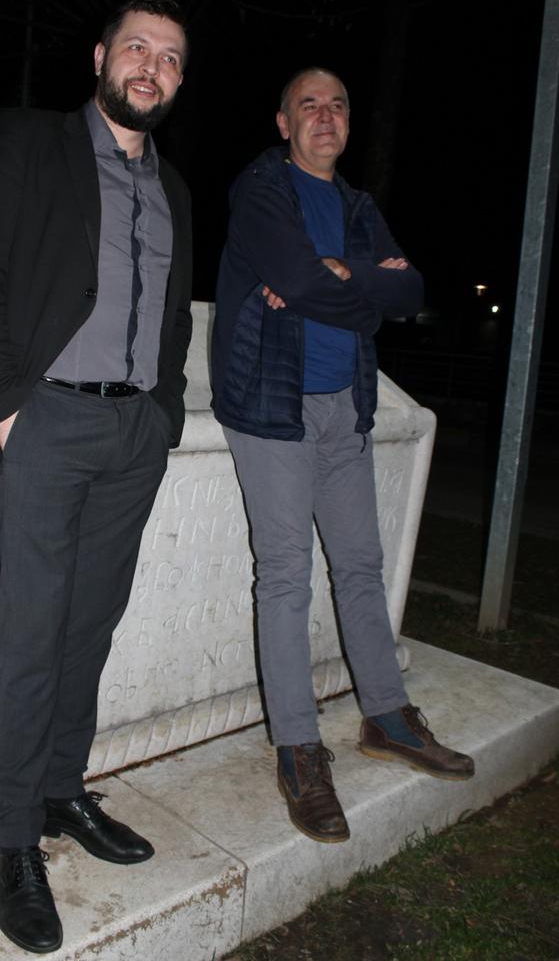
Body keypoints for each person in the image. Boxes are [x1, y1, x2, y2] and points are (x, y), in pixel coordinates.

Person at [0, 0, 192, 953]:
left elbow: (172, 313)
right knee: (32, 634)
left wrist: (163, 412)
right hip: (46, 421)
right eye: (137, 47)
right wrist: (10, 409)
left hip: (134, 434)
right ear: (99, 56)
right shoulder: (28, 140)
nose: (151, 66)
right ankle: (13, 841)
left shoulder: (175, 188)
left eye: (170, 57)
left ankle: (58, 791)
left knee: (89, 627)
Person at [211, 67, 473, 846]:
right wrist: (360, 291)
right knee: (285, 575)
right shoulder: (262, 189)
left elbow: (410, 293)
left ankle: (386, 717)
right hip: (272, 404)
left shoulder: (358, 209)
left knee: (361, 565)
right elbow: (299, 278)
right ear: (283, 123)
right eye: (308, 106)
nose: (323, 116)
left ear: (348, 124)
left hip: (343, 406)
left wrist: (341, 276)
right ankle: (297, 751)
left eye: (336, 106)